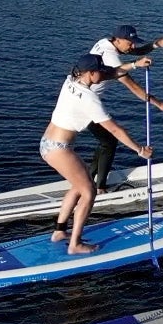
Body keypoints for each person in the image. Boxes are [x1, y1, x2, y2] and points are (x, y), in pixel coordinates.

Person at [43, 53, 154, 253]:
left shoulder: (71, 80)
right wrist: (140, 150)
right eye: (99, 71)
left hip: (47, 143)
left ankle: (59, 231)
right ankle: (75, 244)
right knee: (89, 191)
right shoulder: (89, 99)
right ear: (91, 73)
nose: (103, 74)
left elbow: (109, 74)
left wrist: (135, 65)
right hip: (59, 149)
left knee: (79, 185)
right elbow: (115, 130)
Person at [86, 24, 163, 187]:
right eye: (129, 42)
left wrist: (155, 44)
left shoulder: (106, 41)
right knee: (110, 141)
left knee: (106, 141)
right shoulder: (111, 58)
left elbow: (135, 52)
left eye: (133, 42)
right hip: (86, 102)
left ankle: (91, 179)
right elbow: (132, 86)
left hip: (88, 99)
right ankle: (99, 188)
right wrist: (159, 104)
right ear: (118, 40)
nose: (132, 46)